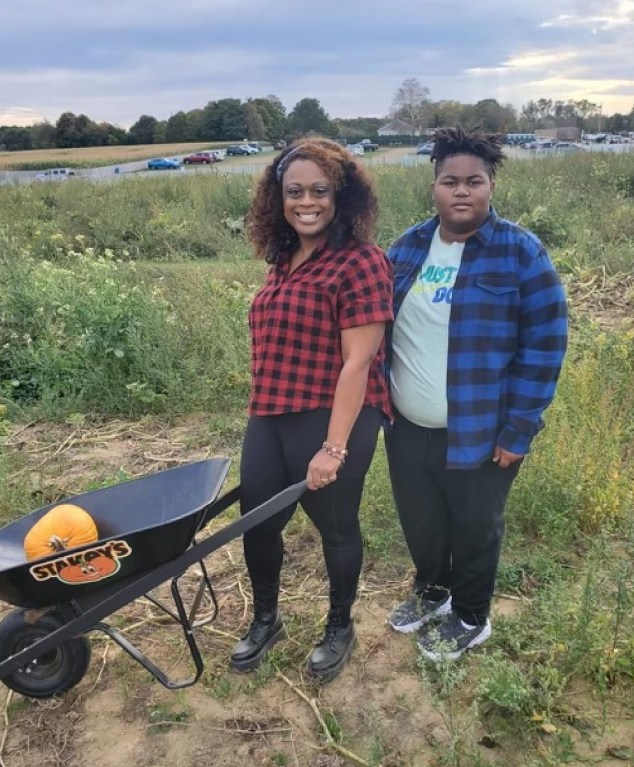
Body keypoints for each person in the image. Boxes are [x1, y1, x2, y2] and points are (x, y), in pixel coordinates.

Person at [384, 126, 568, 661]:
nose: (461, 192)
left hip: (482, 431)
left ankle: (470, 616)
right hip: (407, 427)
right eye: (449, 181)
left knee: (474, 528)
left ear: (490, 186)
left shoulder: (520, 252)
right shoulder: (407, 247)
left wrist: (519, 429)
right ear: (433, 186)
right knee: (422, 522)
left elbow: (545, 344)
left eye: (474, 181)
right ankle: (434, 592)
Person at [230, 138, 393, 681]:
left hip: (334, 415)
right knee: (257, 522)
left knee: (336, 526)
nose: (306, 202)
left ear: (340, 196)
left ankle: (340, 624)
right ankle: (266, 618)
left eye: (319, 191)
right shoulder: (284, 260)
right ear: (278, 198)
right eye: (294, 191)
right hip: (272, 411)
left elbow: (358, 362)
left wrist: (333, 447)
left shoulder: (362, 263)